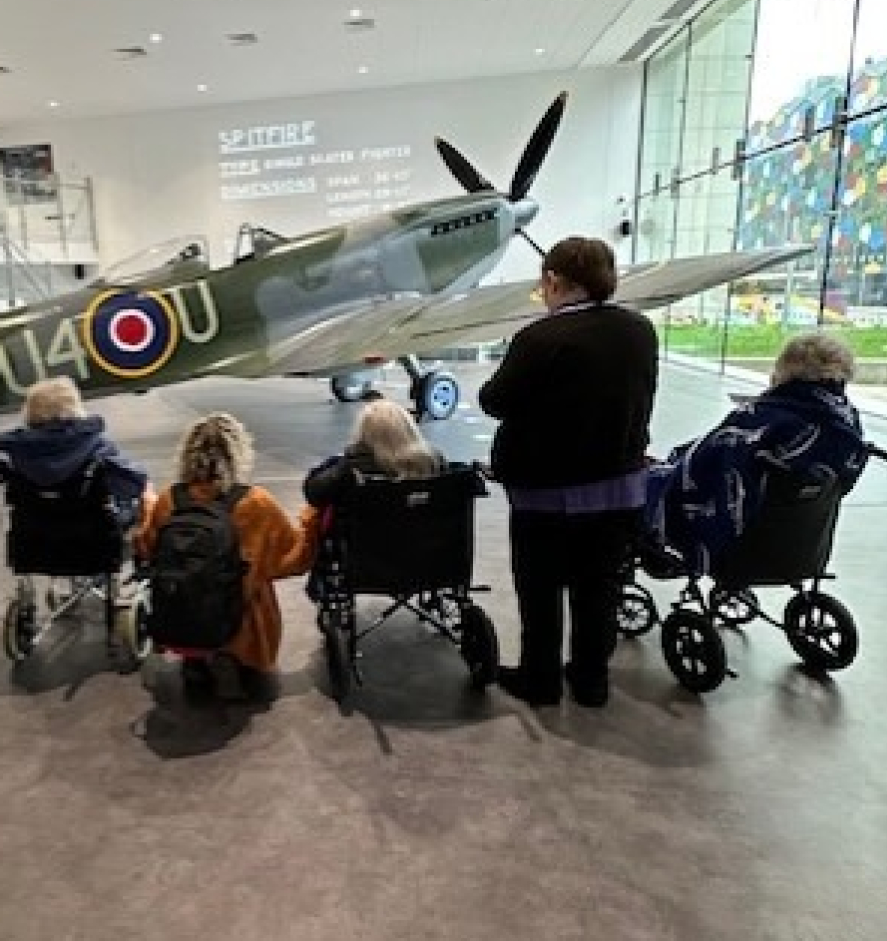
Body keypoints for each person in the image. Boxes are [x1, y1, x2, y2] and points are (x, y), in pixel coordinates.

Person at [477, 236, 658, 708]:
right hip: (619, 487)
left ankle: (541, 680)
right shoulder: (640, 331)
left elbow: (496, 400)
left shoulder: (540, 338)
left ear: (554, 281)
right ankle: (591, 681)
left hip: (546, 491)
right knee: (599, 589)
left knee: (541, 589)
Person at [646, 332, 867, 576]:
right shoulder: (845, 425)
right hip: (800, 547)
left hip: (737, 545)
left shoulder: (759, 420)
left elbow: (704, 464)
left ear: (787, 367)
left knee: (644, 484)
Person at [136, 412, 318, 700]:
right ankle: (250, 665)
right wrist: (312, 521)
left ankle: (195, 664)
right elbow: (292, 560)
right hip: (241, 611)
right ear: (238, 453)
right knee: (255, 583)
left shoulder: (170, 500)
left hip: (185, 611)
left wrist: (146, 509)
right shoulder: (257, 503)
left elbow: (147, 549)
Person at [0, 376, 148, 514]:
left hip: (34, 541)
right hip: (96, 538)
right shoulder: (98, 446)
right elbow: (134, 486)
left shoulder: (18, 454)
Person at [303, 398, 445, 510]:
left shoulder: (351, 468)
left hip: (365, 543)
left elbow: (313, 494)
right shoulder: (433, 461)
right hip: (428, 541)